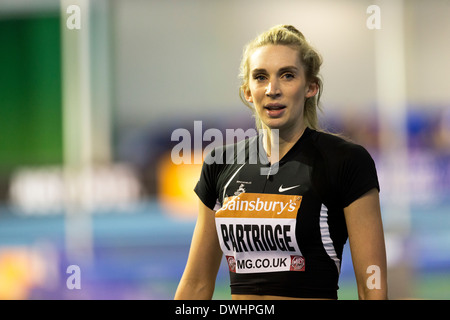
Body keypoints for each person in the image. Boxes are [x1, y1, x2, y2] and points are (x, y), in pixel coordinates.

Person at [174, 24, 387, 300]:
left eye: (287, 75)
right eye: (260, 77)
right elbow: (196, 284)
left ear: (311, 86)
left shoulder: (346, 161)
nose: (272, 89)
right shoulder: (220, 163)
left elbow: (372, 287)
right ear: (248, 92)